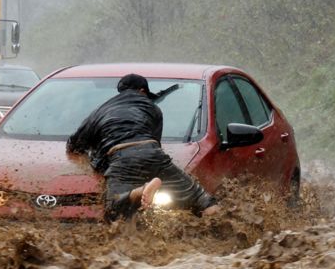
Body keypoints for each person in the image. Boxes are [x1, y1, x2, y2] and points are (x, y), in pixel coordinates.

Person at [66, 73, 220, 221]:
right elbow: (154, 144)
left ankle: (140, 191)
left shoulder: (100, 111)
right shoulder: (153, 109)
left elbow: (74, 145)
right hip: (153, 152)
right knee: (201, 198)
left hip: (122, 157)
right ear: (142, 91)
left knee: (113, 209)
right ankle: (220, 229)